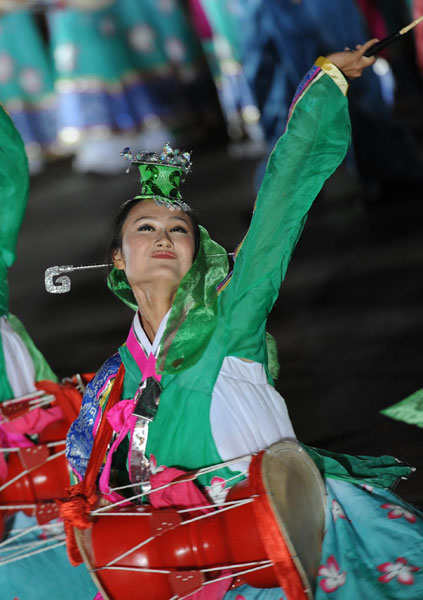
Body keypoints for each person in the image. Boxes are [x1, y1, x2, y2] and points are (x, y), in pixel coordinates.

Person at [65, 40, 423, 599]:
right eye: (145, 228)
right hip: (199, 568)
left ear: (197, 253)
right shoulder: (116, 380)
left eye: (178, 229)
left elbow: (281, 204)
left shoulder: (231, 314)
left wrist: (324, 87)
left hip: (292, 544)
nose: (164, 236)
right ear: (117, 259)